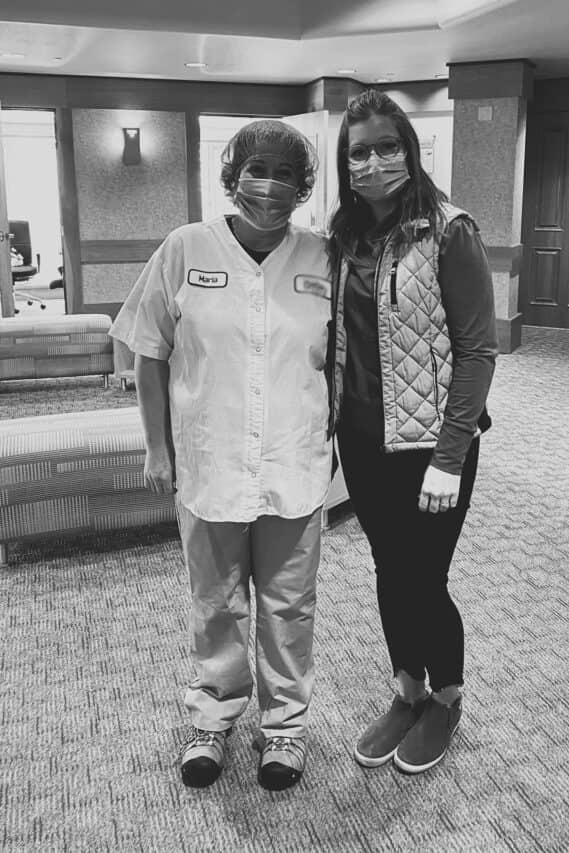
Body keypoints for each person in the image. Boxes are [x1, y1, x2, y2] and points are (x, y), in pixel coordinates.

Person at [109, 120, 334, 792]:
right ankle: (213, 714)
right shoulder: (184, 248)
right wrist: (157, 447)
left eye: (285, 173)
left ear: (303, 186)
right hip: (209, 463)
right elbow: (147, 349)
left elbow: (344, 362)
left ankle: (285, 729)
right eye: (255, 170)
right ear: (231, 176)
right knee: (216, 601)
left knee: (289, 606)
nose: (268, 185)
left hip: (293, 463)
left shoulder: (322, 256)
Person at [327, 90, 498, 774]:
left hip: (434, 443)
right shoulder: (342, 236)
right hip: (363, 436)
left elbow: (478, 351)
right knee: (390, 569)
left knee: (425, 575)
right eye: (358, 152)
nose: (373, 161)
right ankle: (408, 688)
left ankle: (447, 697)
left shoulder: (451, 229)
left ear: (410, 149)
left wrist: (450, 457)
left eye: (386, 147)